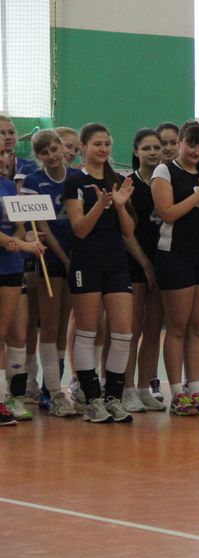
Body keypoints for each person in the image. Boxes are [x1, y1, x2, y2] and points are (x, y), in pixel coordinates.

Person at [151, 120, 199, 416]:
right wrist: (198, 194)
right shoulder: (165, 171)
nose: (196, 150)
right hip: (176, 256)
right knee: (178, 327)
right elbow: (168, 213)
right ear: (180, 142)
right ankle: (177, 393)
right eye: (191, 144)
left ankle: (195, 389)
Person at [64, 123, 136, 423]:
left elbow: (130, 230)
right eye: (97, 144)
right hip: (86, 262)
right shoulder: (75, 183)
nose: (104, 149)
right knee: (87, 331)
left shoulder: (119, 180)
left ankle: (114, 398)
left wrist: (119, 206)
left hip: (116, 262)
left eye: (107, 143)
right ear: (83, 147)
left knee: (122, 333)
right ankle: (92, 399)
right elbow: (79, 230)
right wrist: (101, 205)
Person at [22, 130, 80, 416]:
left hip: (75, 255)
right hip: (51, 258)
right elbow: (42, 228)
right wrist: (64, 259)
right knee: (50, 324)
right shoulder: (33, 183)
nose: (52, 155)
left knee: (64, 321)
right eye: (44, 152)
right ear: (38, 156)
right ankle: (53, 393)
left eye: (55, 148)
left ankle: (51, 388)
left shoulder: (76, 177)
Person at [121, 129, 167, 412]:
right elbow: (126, 233)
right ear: (136, 151)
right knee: (133, 329)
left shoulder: (167, 182)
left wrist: (157, 264)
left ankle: (144, 387)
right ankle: (126, 389)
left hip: (163, 262)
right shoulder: (129, 185)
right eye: (146, 148)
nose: (152, 152)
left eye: (156, 147)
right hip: (135, 264)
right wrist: (145, 264)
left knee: (153, 330)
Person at [1, 146, 46, 422]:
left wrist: (26, 235)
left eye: (5, 154)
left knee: (18, 332)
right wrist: (20, 244)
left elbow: (18, 227)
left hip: (11, 267)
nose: (4, 159)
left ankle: (14, 397)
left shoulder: (8, 186)